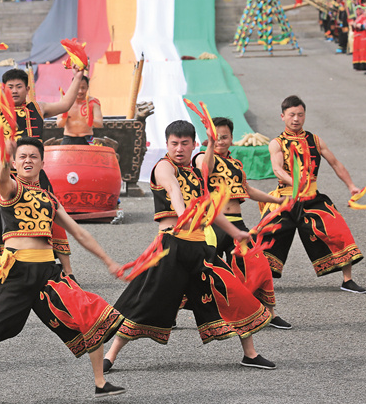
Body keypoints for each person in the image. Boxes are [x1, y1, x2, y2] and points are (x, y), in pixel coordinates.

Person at [0, 136, 126, 397]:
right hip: (17, 273)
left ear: (43, 163)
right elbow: (1, 177)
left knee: (89, 313)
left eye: (33, 156)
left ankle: (100, 383)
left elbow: (79, 233)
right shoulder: (10, 190)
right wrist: (3, 152)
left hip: (48, 274)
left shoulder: (50, 200)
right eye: (22, 157)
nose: (28, 160)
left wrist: (108, 261)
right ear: (14, 162)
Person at [104, 120, 275, 374]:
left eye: (185, 143)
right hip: (170, 248)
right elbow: (173, 188)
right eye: (174, 143)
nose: (179, 149)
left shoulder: (196, 175)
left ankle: (250, 354)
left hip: (199, 249)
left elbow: (210, 209)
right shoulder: (163, 166)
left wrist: (236, 231)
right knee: (144, 301)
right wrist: (184, 213)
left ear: (194, 145)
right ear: (167, 144)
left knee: (234, 291)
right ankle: (110, 355)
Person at [0, 66, 83, 283]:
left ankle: (68, 272)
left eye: (18, 86)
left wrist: (77, 76)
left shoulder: (39, 108)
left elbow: (65, 104)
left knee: (53, 215)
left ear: (27, 88)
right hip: (6, 175)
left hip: (36, 175)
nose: (14, 90)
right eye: (10, 87)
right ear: (4, 89)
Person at [193, 117, 291, 329]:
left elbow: (248, 190)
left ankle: (268, 314)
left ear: (231, 139)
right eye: (216, 137)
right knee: (197, 269)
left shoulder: (236, 164)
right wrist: (210, 144)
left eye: (225, 137)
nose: (220, 141)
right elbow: (206, 171)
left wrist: (276, 200)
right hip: (211, 224)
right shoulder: (202, 157)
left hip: (237, 225)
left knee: (259, 265)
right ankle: (171, 313)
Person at [261, 95, 364, 292]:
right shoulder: (277, 143)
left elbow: (335, 163)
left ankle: (347, 280)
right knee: (264, 239)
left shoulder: (314, 140)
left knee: (338, 230)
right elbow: (277, 169)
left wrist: (351, 185)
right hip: (285, 199)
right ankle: (261, 283)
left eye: (300, 114)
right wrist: (296, 183)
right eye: (291, 115)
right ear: (282, 116)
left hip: (312, 199)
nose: (296, 119)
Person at [56, 75, 102, 145]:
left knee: (97, 153)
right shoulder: (65, 101)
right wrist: (64, 117)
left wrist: (91, 120)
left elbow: (100, 124)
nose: (80, 91)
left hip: (89, 138)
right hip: (68, 137)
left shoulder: (94, 102)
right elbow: (59, 124)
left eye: (83, 88)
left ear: (87, 88)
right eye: (77, 88)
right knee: (61, 155)